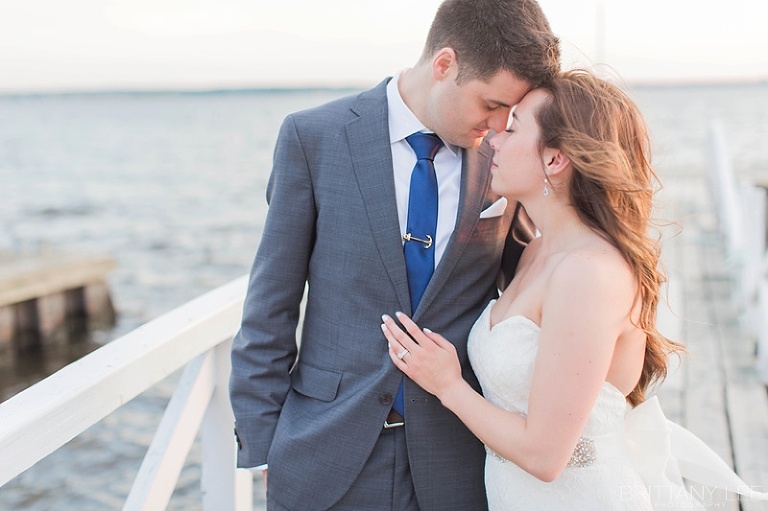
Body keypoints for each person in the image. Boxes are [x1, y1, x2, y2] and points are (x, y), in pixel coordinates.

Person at [381, 69, 768, 510]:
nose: (493, 139)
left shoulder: (589, 273)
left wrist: (449, 386)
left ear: (555, 160)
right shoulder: (536, 251)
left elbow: (546, 456)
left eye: (513, 129)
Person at [229, 1, 560, 510]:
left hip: (457, 461)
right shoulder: (313, 137)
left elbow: (530, 283)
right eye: (491, 104)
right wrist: (264, 447)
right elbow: (270, 304)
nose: (498, 126)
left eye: (510, 113)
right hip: (322, 454)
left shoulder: (503, 158)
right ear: (445, 64)